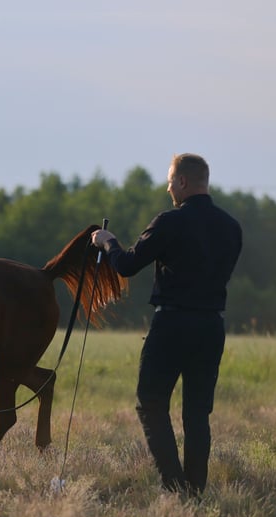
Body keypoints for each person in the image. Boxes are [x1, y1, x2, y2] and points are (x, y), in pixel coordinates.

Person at [92, 153, 242, 496]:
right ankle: (195, 492)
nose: (168, 186)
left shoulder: (169, 222)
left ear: (184, 183)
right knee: (197, 414)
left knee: (151, 403)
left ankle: (176, 489)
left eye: (171, 180)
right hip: (211, 327)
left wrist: (107, 242)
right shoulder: (232, 227)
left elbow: (127, 265)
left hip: (172, 324)